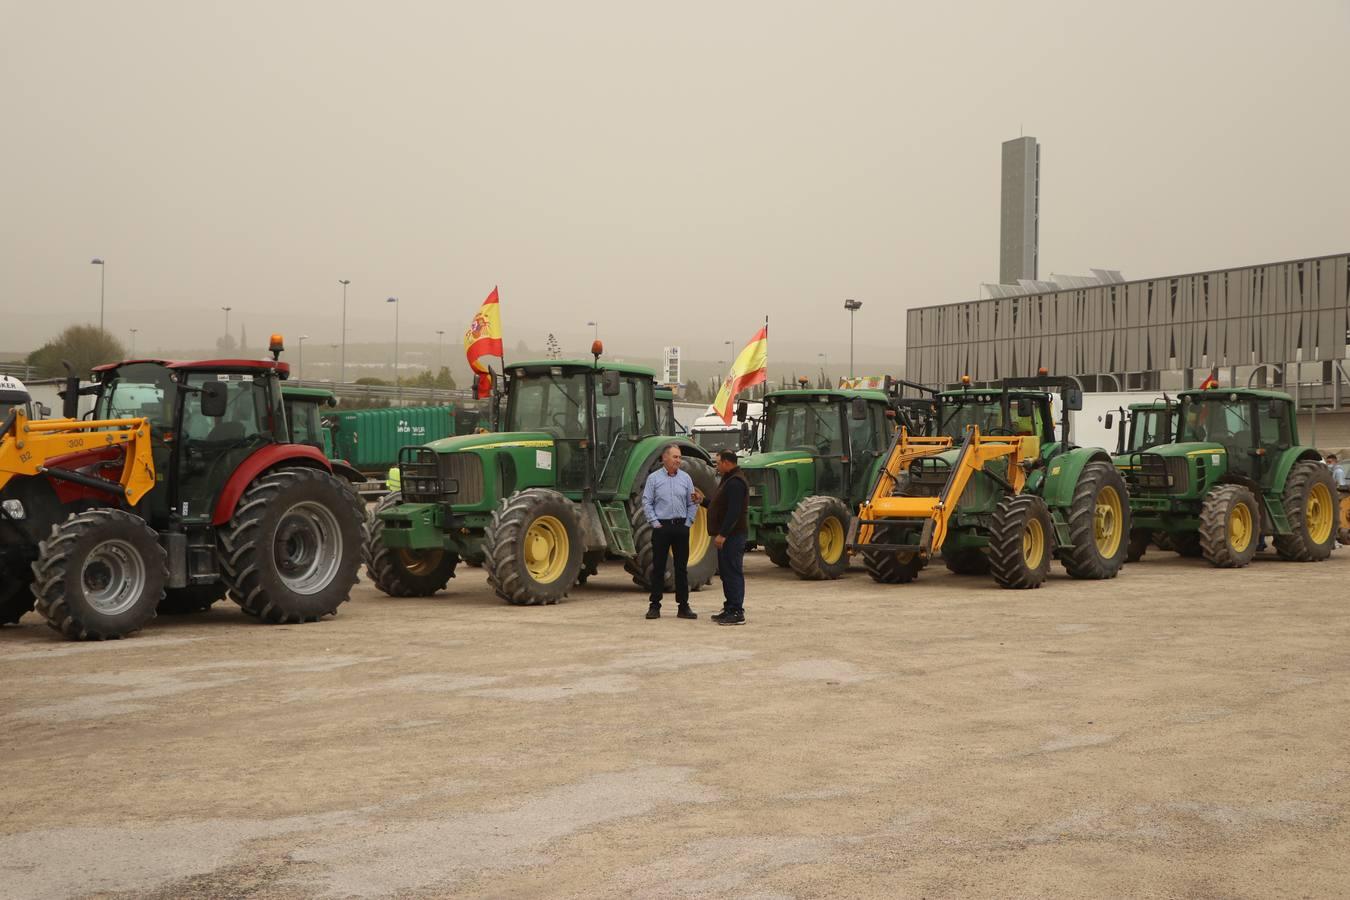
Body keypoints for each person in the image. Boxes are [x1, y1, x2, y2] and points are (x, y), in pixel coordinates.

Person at [640, 444, 699, 620]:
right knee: (658, 568)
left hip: (681, 527)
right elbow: (646, 501)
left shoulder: (686, 478)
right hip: (662, 528)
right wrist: (655, 522)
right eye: (675, 457)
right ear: (664, 458)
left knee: (681, 569)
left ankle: (683, 606)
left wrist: (688, 522)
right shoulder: (654, 479)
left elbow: (693, 501)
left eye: (679, 457)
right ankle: (655, 606)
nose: (678, 461)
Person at [695, 450, 749, 626]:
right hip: (728, 536)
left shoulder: (736, 483)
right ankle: (729, 607)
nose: (716, 466)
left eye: (718, 463)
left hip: (733, 536)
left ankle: (736, 612)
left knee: (733, 572)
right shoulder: (728, 480)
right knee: (726, 573)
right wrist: (702, 501)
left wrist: (723, 534)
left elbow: (734, 512)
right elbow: (719, 507)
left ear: (727, 463)